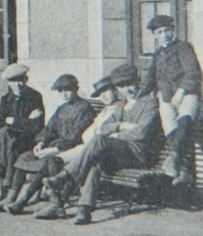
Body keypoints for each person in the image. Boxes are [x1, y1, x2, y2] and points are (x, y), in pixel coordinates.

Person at [44, 63, 163, 225]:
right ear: (117, 88)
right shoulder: (121, 105)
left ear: (138, 81)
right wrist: (120, 126)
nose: (127, 89)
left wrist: (116, 134)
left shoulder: (149, 103)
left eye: (130, 84)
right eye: (121, 86)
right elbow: (101, 129)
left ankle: (65, 176)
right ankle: (84, 210)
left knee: (99, 142)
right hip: (120, 152)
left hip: (139, 154)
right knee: (95, 161)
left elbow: (142, 133)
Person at [0, 73, 98, 213]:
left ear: (75, 89)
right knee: (24, 157)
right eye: (60, 91)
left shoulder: (85, 108)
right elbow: (50, 129)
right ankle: (12, 196)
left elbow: (77, 136)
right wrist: (41, 142)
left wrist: (54, 149)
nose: (64, 94)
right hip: (54, 147)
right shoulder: (62, 108)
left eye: (67, 90)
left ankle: (24, 201)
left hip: (71, 149)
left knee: (48, 162)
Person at [142, 14, 203, 185]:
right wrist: (147, 92)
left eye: (168, 30)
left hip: (186, 93)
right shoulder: (158, 53)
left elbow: (193, 73)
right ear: (155, 35)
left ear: (173, 30)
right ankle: (182, 170)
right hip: (166, 97)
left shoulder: (183, 47)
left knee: (185, 118)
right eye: (160, 32)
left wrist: (181, 91)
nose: (165, 34)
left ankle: (175, 160)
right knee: (170, 128)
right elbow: (151, 77)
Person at [0, 64, 44, 197]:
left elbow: (36, 126)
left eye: (21, 80)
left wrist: (12, 120)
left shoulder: (34, 97)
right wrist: (24, 120)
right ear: (9, 83)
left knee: (8, 137)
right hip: (11, 139)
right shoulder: (6, 99)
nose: (18, 84)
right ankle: (6, 186)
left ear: (26, 79)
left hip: (29, 139)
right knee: (7, 136)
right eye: (14, 81)